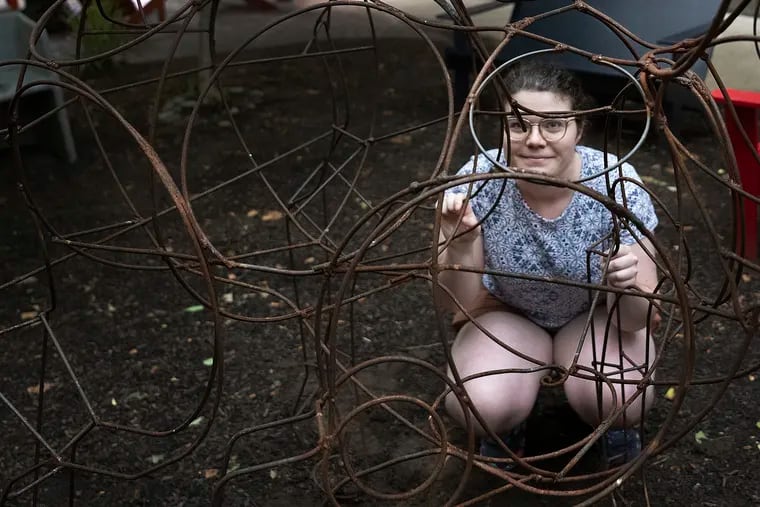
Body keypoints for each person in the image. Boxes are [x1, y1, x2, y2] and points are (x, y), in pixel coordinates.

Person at [435, 61, 659, 468]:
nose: (534, 139)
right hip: (509, 314)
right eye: (519, 125)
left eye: (553, 125)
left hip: (595, 316)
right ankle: (506, 426)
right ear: (503, 128)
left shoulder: (615, 182)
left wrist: (626, 286)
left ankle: (616, 429)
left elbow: (637, 318)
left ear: (579, 129)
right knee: (478, 404)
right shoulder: (477, 182)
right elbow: (459, 304)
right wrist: (463, 242)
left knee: (622, 397)